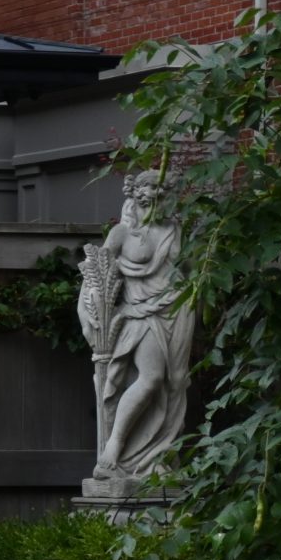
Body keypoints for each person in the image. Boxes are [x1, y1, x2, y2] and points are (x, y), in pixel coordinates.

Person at [83, 171, 193, 488]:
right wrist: (95, 311)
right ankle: (114, 449)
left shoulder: (175, 230)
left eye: (163, 188)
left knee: (174, 384)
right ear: (136, 193)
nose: (157, 193)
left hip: (177, 310)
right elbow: (97, 277)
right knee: (151, 378)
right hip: (140, 313)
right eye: (150, 187)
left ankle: (157, 458)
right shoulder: (121, 233)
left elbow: (190, 271)